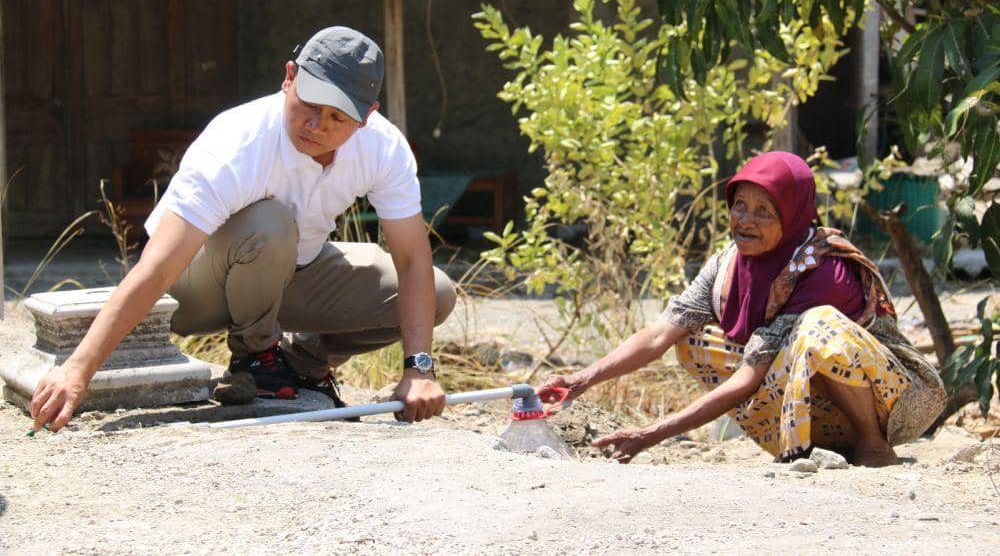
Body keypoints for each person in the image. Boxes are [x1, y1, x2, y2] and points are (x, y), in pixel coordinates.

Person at [30, 26, 456, 431]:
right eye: (310, 104)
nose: (317, 125)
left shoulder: (383, 147)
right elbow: (158, 269)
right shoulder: (238, 141)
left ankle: (300, 361)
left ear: (366, 117)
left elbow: (411, 261)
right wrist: (77, 370)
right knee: (270, 223)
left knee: (436, 292)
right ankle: (256, 357)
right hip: (196, 289)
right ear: (289, 78)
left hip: (289, 276)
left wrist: (419, 370)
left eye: (337, 117)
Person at [538, 151, 946, 467]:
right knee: (694, 339)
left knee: (819, 327)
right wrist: (580, 380)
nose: (745, 220)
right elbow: (660, 333)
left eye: (764, 211)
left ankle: (872, 446)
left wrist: (650, 434)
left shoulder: (822, 270)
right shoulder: (727, 264)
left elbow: (750, 377)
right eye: (740, 205)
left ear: (792, 214)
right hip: (815, 394)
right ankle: (812, 442)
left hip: (897, 400)